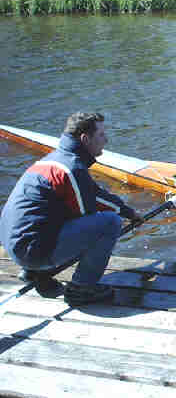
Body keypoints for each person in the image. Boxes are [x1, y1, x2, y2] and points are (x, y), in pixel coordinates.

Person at [0, 112, 141, 306]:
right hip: (31, 250)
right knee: (110, 223)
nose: (106, 139)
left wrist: (127, 211)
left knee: (73, 212)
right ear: (85, 138)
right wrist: (126, 214)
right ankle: (82, 289)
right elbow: (89, 213)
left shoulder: (55, 159)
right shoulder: (72, 168)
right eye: (101, 135)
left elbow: (93, 192)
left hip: (15, 245)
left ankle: (36, 272)